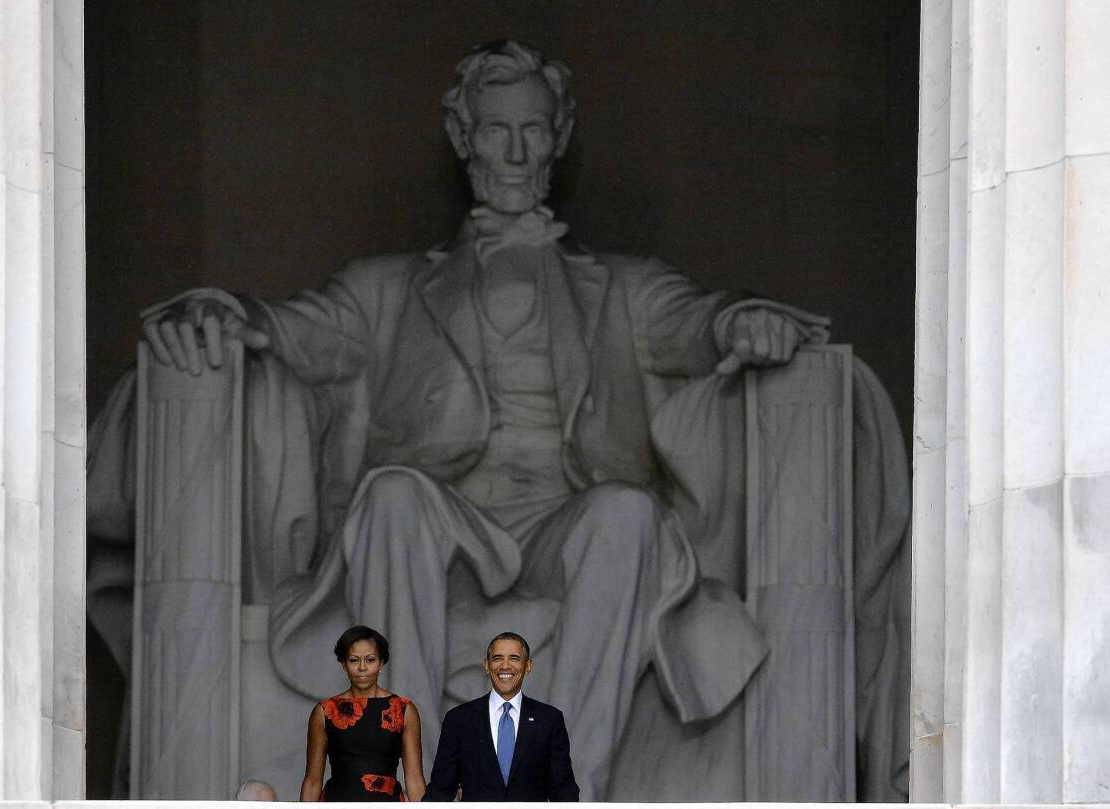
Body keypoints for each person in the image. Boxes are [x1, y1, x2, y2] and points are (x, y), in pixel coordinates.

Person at [90, 38, 909, 801]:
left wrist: (743, 323)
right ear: (462, 136)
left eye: (532, 131)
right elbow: (296, 329)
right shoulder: (385, 289)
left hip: (565, 525)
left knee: (628, 512)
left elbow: (700, 322)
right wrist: (225, 312)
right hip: (441, 530)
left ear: (559, 139)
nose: (515, 153)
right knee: (393, 496)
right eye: (495, 131)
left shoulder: (623, 289)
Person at [425, 633, 577, 802]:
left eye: (514, 658)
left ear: (528, 666)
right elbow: (441, 788)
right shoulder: (459, 719)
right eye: (497, 658)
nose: (505, 666)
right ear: (487, 665)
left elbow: (563, 789)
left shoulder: (549, 719)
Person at [300, 626, 426, 802]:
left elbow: (414, 778)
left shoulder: (403, 709)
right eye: (353, 660)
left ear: (381, 663)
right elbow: (313, 780)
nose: (362, 668)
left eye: (370, 660)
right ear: (344, 664)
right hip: (337, 804)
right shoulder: (325, 711)